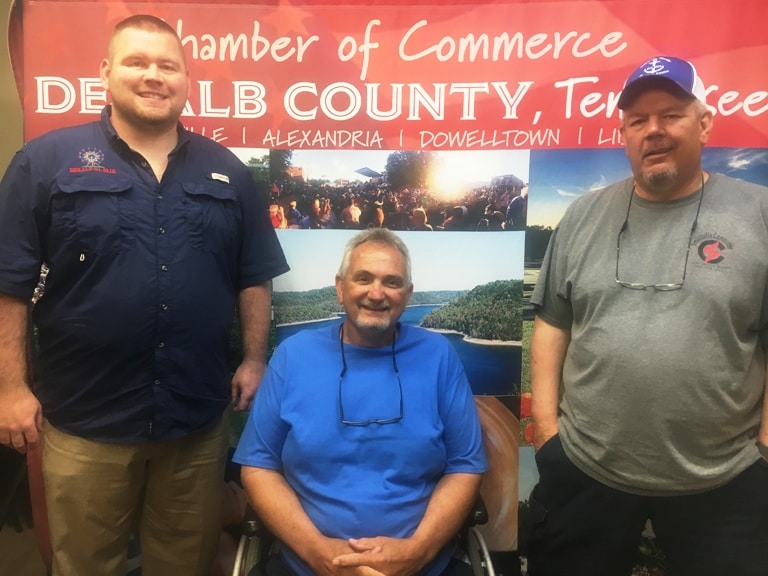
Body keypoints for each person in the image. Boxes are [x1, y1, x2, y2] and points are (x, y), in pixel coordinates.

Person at [0, 14, 289, 576]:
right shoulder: (45, 162)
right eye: (136, 62)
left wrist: (254, 359)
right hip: (86, 420)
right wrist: (11, 387)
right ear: (106, 73)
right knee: (85, 565)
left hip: (195, 422)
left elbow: (254, 274)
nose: (153, 76)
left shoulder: (226, 170)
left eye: (168, 66)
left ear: (186, 80)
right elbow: (8, 285)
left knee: (185, 562)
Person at [527, 55, 768, 576]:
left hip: (724, 479)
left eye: (670, 115)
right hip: (586, 469)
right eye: (637, 121)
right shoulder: (583, 214)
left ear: (704, 123)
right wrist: (547, 431)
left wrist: (766, 452)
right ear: (624, 134)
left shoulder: (760, 213)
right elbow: (552, 321)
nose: (653, 131)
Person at [234, 228, 487, 576]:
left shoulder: (438, 355)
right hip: (309, 564)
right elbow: (259, 466)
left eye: (392, 282)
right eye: (363, 278)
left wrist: (416, 552)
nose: (376, 293)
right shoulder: (293, 356)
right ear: (340, 288)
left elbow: (465, 465)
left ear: (408, 294)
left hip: (423, 565)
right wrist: (319, 553)